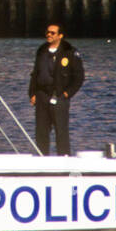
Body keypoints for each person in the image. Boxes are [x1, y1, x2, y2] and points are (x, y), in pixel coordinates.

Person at [28, 22, 84, 156]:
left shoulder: (70, 52)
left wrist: (67, 94)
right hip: (42, 96)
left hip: (59, 97)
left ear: (60, 36)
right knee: (41, 133)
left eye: (52, 33)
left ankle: (64, 161)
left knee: (61, 133)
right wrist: (32, 93)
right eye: (47, 32)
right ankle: (42, 160)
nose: (49, 35)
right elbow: (35, 73)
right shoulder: (41, 50)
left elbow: (79, 77)